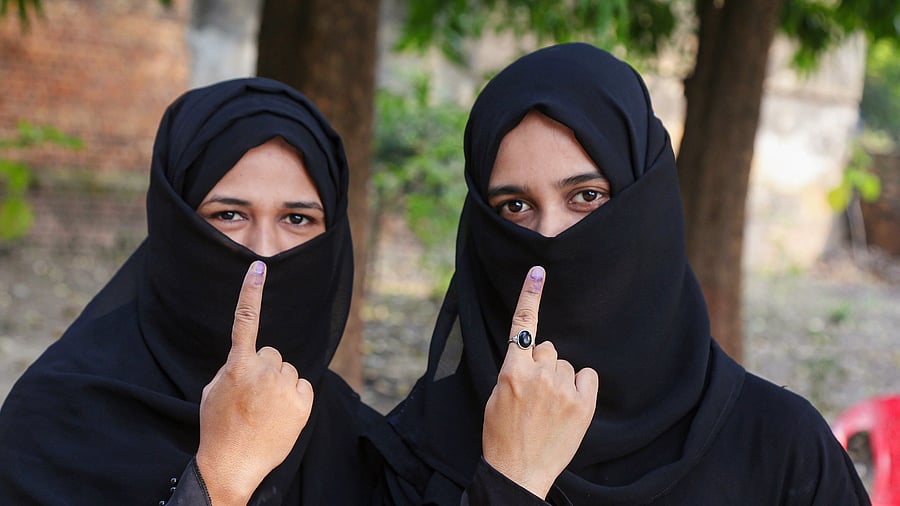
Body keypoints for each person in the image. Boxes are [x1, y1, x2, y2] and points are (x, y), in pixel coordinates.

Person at [366, 43, 870, 505]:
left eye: (586, 196)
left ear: (647, 206)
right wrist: (509, 478)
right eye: (515, 205)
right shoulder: (411, 457)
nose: (551, 236)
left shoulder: (781, 448)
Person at [0, 77, 381, 505]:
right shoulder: (58, 418)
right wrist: (221, 477)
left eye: (296, 219)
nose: (264, 251)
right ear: (176, 226)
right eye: (230, 214)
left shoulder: (357, 440)